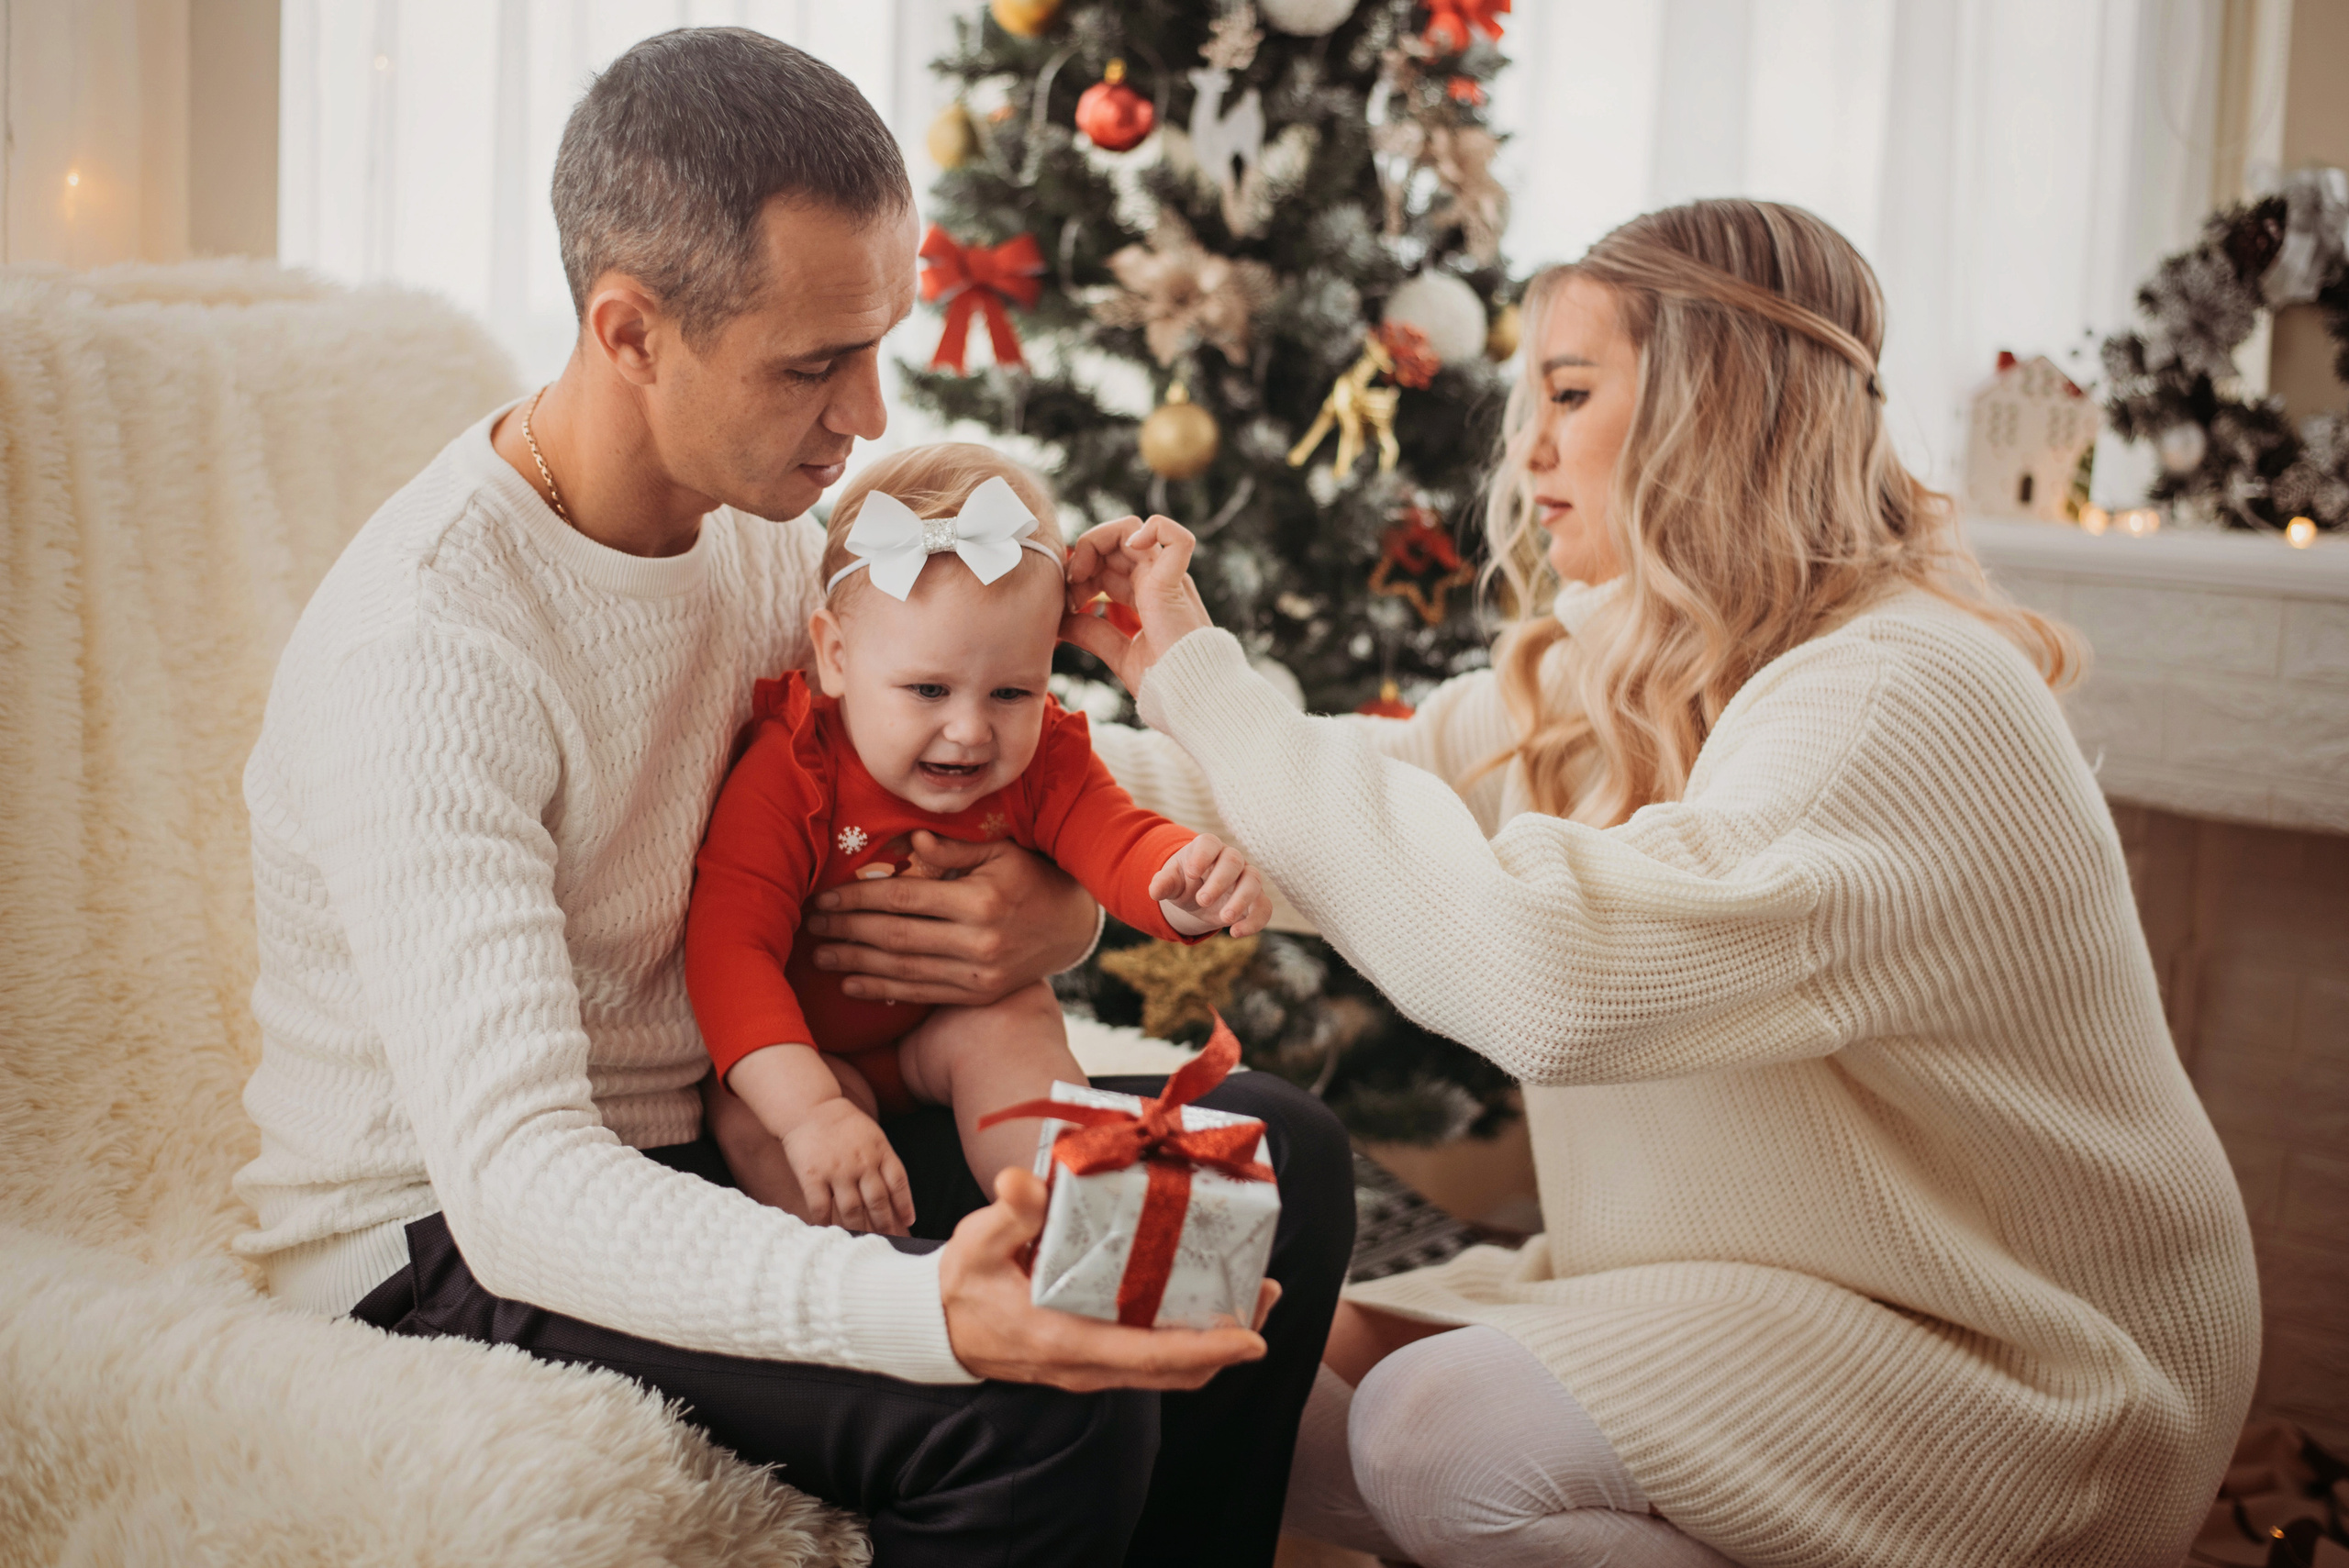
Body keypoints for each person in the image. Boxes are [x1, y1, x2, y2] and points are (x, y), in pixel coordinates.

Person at [232, 29, 1350, 1567]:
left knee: (1266, 1161)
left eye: (878, 343)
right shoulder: (432, 644)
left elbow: (954, 770)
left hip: (731, 1114)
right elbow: (516, 1185)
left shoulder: (768, 536)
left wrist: (1064, 906)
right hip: (446, 1231)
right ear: (629, 330)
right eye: (816, 362)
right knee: (1040, 1399)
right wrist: (923, 1305)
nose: (869, 416)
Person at [1066, 199, 2261, 1568]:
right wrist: (992, 763)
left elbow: (1546, 978)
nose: (1529, 446)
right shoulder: (1630, 665)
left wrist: (1196, 678)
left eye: (1573, 393)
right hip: (1756, 1294)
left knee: (1430, 1440)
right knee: (1238, 1349)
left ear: (1722, 403)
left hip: (2022, 1362)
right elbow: (1338, 801)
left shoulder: (1898, 693)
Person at [685, 443, 1272, 1236]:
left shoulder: (1045, 760)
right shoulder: (792, 768)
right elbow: (729, 953)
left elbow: (1118, 840)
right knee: (755, 1119)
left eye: (1011, 691)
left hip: (944, 1029)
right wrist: (815, 1112)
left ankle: (1083, 1225)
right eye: (928, 689)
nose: (968, 731)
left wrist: (1185, 879)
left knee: (1013, 1026)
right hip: (805, 1052)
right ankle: (868, 1288)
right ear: (836, 655)